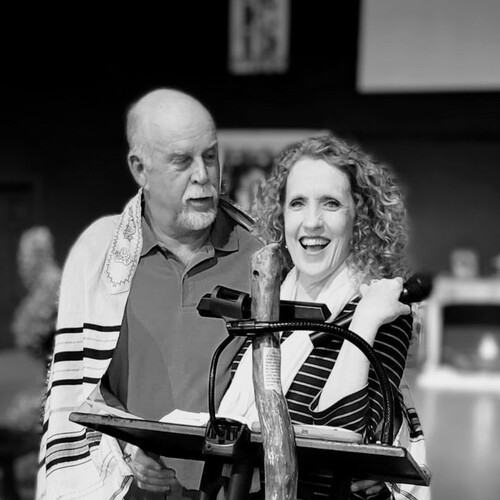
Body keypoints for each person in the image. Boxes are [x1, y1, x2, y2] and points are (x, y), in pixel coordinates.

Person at [36, 88, 262, 499]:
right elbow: (78, 386)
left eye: (211, 156)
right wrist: (123, 446)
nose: (203, 175)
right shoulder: (100, 255)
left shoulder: (261, 258)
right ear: (140, 168)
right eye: (182, 161)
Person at [221, 135, 429, 499]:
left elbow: (344, 443)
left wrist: (364, 322)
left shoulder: (382, 313)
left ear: (358, 217)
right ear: (282, 215)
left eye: (331, 204)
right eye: (298, 203)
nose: (312, 221)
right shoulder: (266, 308)